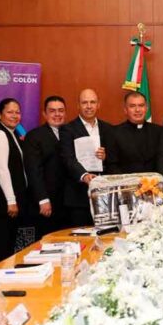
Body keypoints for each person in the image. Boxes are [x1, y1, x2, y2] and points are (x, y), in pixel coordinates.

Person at [59, 89, 113, 227]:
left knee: (105, 234)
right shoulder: (67, 129)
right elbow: (67, 158)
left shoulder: (108, 128)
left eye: (92, 102)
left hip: (104, 195)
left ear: (98, 104)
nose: (89, 106)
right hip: (78, 196)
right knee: (81, 236)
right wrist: (84, 175)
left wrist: (106, 157)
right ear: (78, 105)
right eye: (85, 102)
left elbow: (116, 158)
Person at [0, 98, 28, 265]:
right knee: (1, 248)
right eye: (10, 112)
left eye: (17, 112)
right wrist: (11, 201)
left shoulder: (12, 133)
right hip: (2, 203)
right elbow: (2, 169)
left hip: (11, 202)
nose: (14, 116)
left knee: (8, 247)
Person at [24, 96, 68, 237]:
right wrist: (43, 199)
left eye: (61, 110)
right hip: (47, 203)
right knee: (47, 242)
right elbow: (33, 170)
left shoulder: (70, 133)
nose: (57, 114)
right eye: (52, 111)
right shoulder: (34, 136)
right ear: (44, 114)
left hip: (68, 203)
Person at [106, 91, 163, 175]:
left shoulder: (160, 131)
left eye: (141, 105)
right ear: (125, 110)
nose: (137, 110)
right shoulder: (114, 133)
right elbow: (112, 165)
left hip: (154, 181)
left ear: (146, 108)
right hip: (126, 181)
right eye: (132, 106)